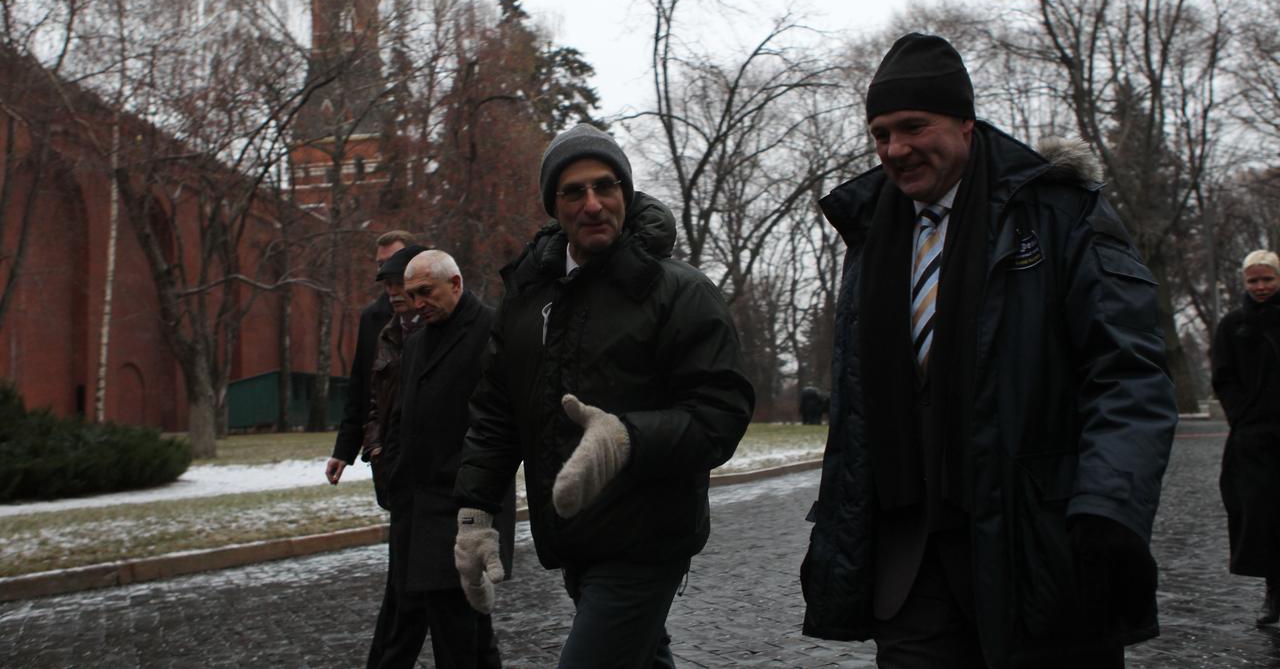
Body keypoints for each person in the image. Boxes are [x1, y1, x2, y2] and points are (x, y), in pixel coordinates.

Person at [799, 33, 1178, 668]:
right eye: (881, 134)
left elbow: (1129, 374)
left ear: (967, 124)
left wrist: (1109, 506)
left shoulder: (1059, 216)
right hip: (909, 564)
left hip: (1038, 549)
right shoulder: (868, 233)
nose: (896, 149)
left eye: (914, 126)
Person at [451, 123, 755, 669]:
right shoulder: (526, 297)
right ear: (554, 206)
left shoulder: (679, 290)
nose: (593, 204)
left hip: (647, 538)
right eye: (574, 192)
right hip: (573, 539)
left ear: (625, 193)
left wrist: (625, 440)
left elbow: (721, 414)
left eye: (606, 187)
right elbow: (497, 414)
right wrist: (475, 513)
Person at [368, 250, 514, 669]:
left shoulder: (492, 330)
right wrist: (392, 473)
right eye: (411, 295)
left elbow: (502, 424)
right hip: (415, 511)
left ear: (455, 283)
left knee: (459, 632)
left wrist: (476, 495)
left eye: (425, 292)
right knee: (461, 631)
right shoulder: (415, 343)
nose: (417, 304)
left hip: (464, 508)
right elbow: (399, 418)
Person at [1212, 249, 1280, 626]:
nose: (1261, 287)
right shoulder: (1232, 325)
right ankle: (1274, 592)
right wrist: (1242, 415)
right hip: (1254, 439)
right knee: (1263, 516)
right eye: (1253, 281)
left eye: (1267, 279)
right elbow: (1223, 376)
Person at [326, 229, 416, 486]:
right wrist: (344, 451)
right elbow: (361, 387)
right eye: (381, 264)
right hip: (386, 447)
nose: (388, 268)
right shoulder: (373, 318)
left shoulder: (436, 311)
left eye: (395, 259)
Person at [363, 243, 427, 507]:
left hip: (431, 471)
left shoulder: (440, 331)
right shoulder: (387, 335)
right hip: (392, 467)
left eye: (398, 283)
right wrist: (374, 449)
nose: (392, 292)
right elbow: (374, 401)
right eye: (387, 285)